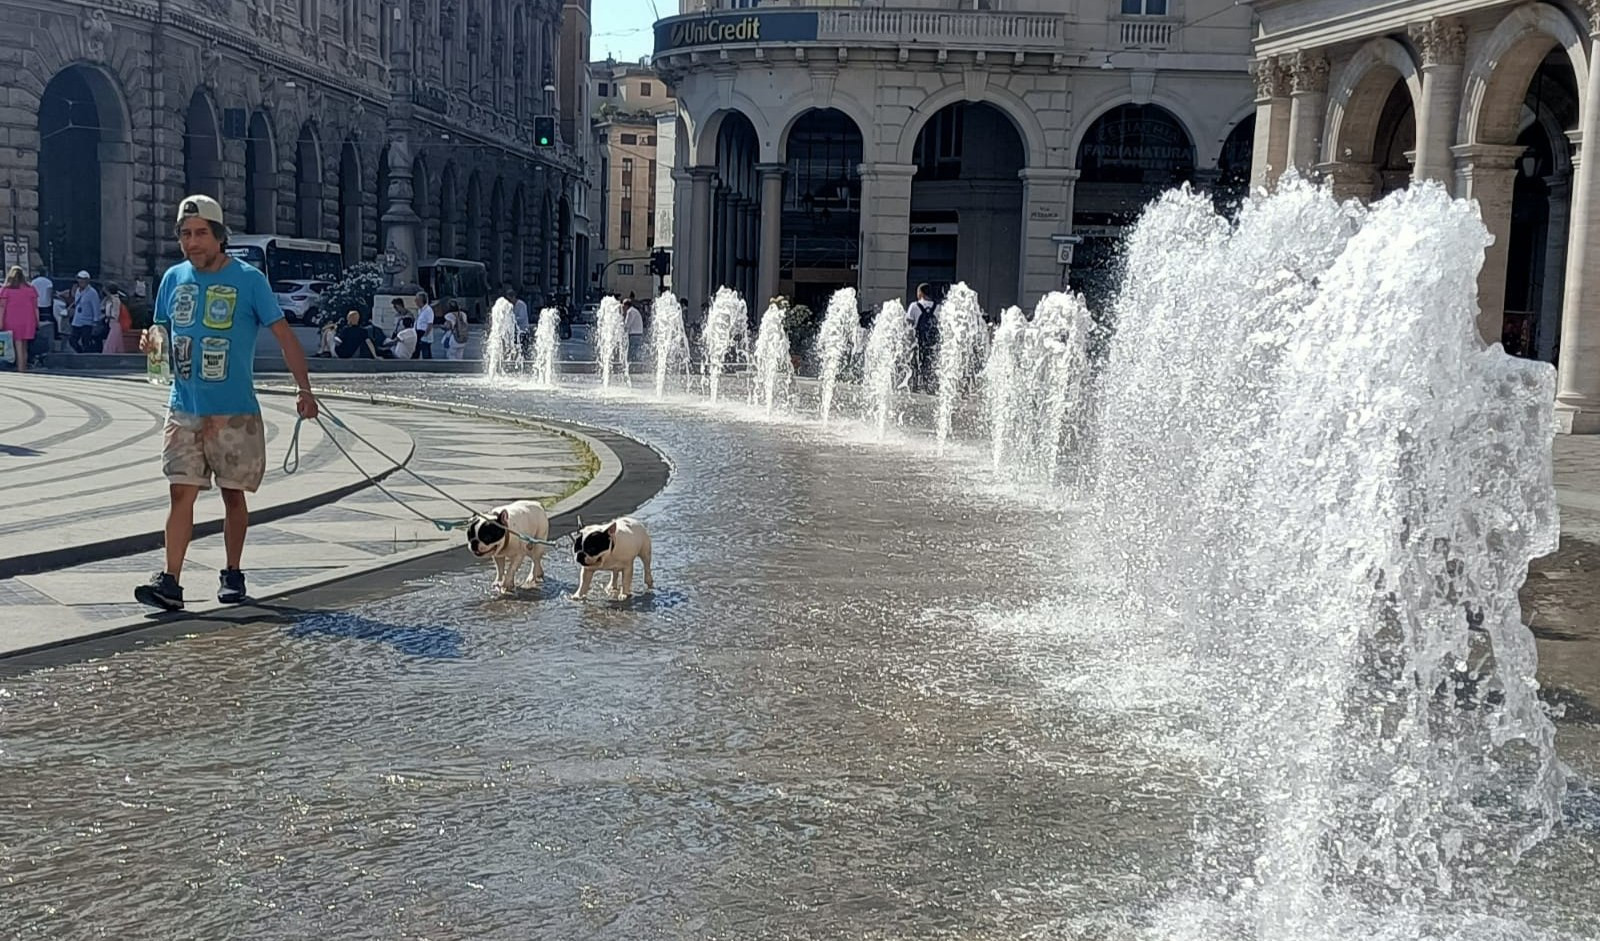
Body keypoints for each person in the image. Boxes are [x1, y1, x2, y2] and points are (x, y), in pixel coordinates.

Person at [133, 194, 317, 611]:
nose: (192, 242)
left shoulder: (249, 280)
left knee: (233, 495)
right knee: (180, 492)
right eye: (185, 234)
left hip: (235, 412)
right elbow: (160, 329)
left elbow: (285, 336)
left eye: (200, 234)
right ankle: (171, 581)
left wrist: (304, 390)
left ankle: (232, 573)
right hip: (184, 407)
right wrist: (150, 340)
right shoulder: (173, 278)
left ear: (219, 237)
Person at [0, 266, 39, 371]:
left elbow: (2, 307)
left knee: (17, 344)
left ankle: (20, 369)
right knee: (24, 345)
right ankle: (23, 367)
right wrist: (37, 322)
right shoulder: (31, 289)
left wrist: (0, 322)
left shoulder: (5, 290)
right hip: (28, 320)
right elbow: (35, 307)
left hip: (11, 320)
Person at [905, 283, 939, 393]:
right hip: (932, 345)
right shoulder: (938, 307)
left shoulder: (914, 306)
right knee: (930, 367)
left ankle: (914, 389)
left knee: (914, 367)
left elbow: (908, 326)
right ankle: (930, 388)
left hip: (917, 343)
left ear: (920, 293)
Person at [70, 271, 101, 353]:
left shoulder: (92, 292)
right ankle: (80, 353)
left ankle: (86, 356)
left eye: (84, 280)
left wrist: (95, 322)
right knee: (72, 340)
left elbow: (96, 307)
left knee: (86, 341)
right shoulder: (77, 291)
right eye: (80, 279)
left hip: (87, 321)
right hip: (77, 320)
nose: (82, 282)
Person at [30, 268, 54, 355]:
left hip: (36, 304)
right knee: (48, 321)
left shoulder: (34, 282)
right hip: (46, 304)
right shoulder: (48, 282)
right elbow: (50, 294)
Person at [100, 286, 131, 354]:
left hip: (115, 323)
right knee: (116, 342)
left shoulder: (115, 300)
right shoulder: (108, 299)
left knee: (111, 342)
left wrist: (109, 316)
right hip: (110, 323)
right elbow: (102, 307)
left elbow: (116, 313)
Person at [413, 291, 435, 359]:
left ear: (421, 300)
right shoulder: (420, 310)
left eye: (417, 299)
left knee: (426, 353)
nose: (415, 301)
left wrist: (425, 335)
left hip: (424, 334)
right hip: (418, 333)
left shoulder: (428, 310)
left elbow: (430, 324)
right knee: (417, 351)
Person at [624, 295, 645, 365]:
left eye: (623, 306)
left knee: (632, 352)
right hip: (638, 333)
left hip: (634, 334)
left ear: (626, 305)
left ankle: (633, 367)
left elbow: (627, 324)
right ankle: (637, 365)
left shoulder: (630, 312)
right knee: (636, 351)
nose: (623, 307)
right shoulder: (634, 310)